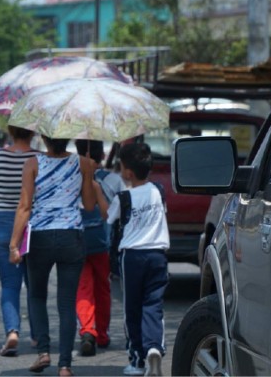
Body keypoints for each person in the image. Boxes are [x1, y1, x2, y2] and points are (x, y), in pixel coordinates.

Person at [8, 136, 96, 377]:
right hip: (72, 237)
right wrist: (88, 174)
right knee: (67, 303)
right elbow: (89, 206)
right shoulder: (83, 163)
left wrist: (14, 244)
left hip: (41, 237)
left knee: (37, 295)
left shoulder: (32, 164)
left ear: (44, 139)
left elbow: (24, 206)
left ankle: (44, 352)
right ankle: (65, 365)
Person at [106, 143, 169, 377]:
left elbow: (109, 218)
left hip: (131, 256)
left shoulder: (124, 198)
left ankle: (137, 361)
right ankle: (154, 347)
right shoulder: (159, 191)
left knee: (132, 309)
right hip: (157, 255)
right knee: (153, 305)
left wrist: (95, 188)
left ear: (128, 173)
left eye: (121, 166)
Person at [0, 126, 38, 357]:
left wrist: (4, 200)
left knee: (9, 284)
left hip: (4, 224)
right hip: (32, 226)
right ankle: (38, 335)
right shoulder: (38, 159)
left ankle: (12, 332)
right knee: (35, 285)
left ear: (10, 131)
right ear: (32, 132)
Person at [74, 140, 125, 356]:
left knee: (82, 287)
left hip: (76, 241)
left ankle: (88, 330)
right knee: (103, 288)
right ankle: (102, 333)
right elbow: (122, 210)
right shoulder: (114, 179)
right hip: (103, 244)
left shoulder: (72, 177)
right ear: (102, 156)